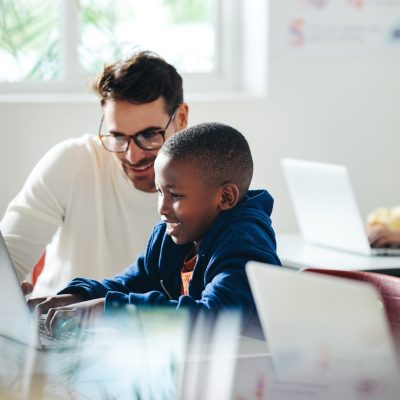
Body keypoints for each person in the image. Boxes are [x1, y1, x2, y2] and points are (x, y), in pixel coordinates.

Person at [29, 122, 281, 337]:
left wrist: (111, 310)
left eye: (176, 195)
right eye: (160, 192)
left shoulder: (245, 243)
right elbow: (127, 284)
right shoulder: (169, 237)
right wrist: (79, 296)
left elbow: (213, 318)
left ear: (225, 197)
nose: (162, 208)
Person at [0, 51, 189, 297]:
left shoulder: (211, 187)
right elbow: (8, 259)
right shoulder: (72, 162)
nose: (132, 156)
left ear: (181, 118)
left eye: (149, 135)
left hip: (152, 333)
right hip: (53, 328)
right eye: (118, 136)